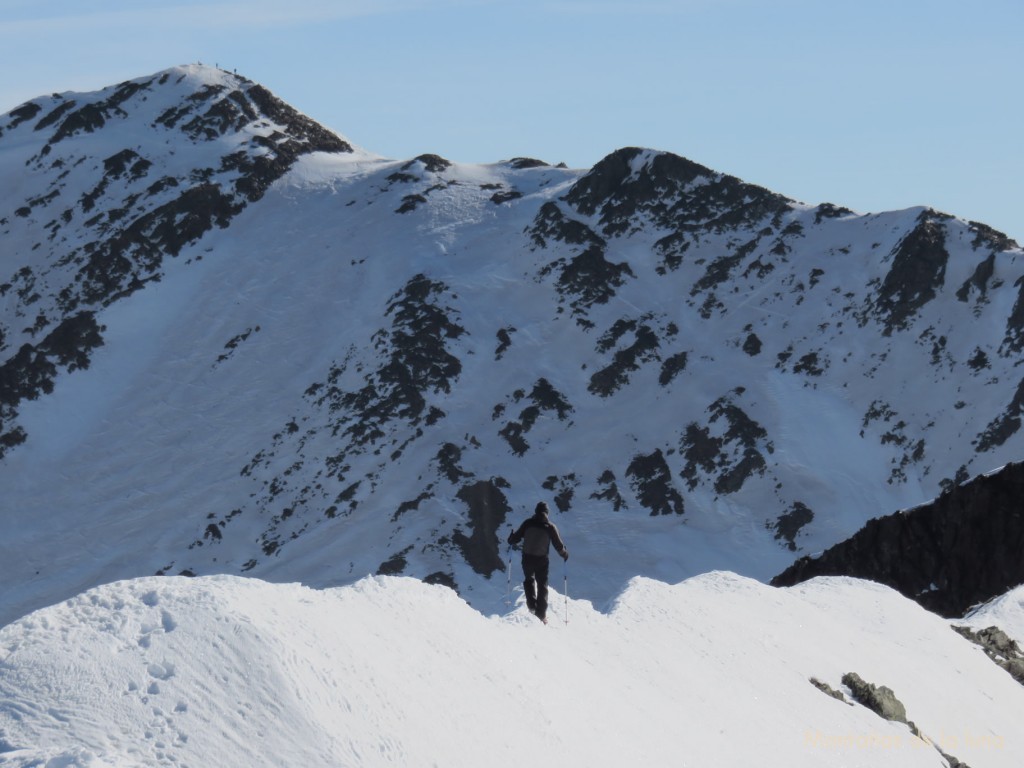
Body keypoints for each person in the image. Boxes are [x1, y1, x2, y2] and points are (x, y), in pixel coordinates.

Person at [508, 502, 568, 624]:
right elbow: (558, 545)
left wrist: (511, 538)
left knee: (529, 579)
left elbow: (516, 538)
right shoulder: (550, 527)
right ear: (547, 513)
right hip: (542, 560)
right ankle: (541, 615)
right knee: (542, 585)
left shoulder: (528, 523)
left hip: (527, 558)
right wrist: (564, 554)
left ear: (536, 511)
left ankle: (531, 606)